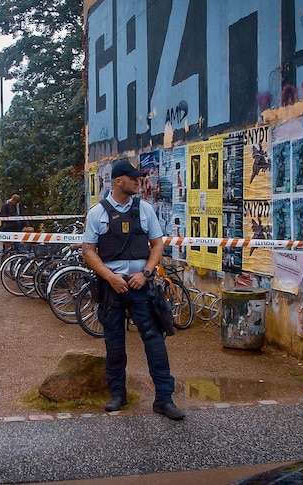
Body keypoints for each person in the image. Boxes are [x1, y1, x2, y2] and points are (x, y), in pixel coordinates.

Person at [82, 159, 186, 421]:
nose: (139, 182)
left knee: (154, 340)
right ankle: (118, 394)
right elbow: (88, 252)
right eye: (134, 178)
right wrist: (110, 277)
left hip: (141, 284)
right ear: (119, 181)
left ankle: (164, 398)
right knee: (114, 342)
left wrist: (146, 273)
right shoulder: (97, 213)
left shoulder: (145, 209)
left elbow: (157, 245)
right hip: (112, 287)